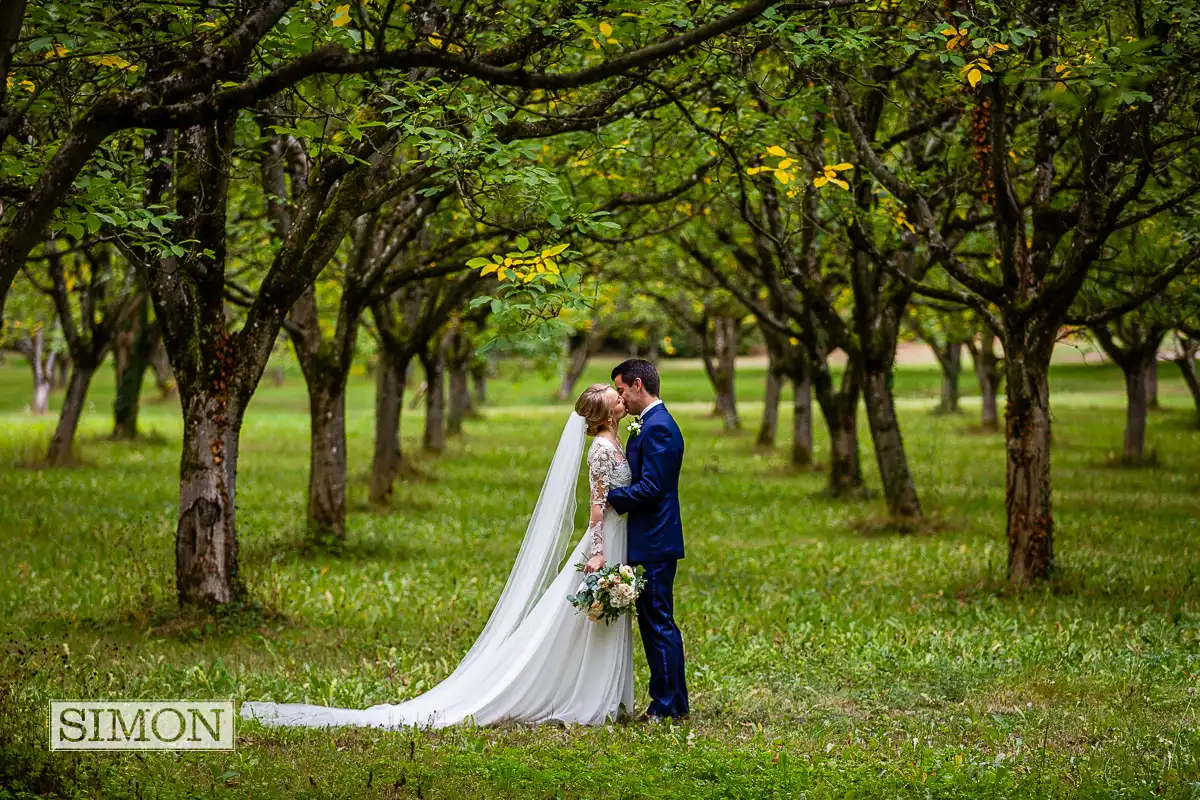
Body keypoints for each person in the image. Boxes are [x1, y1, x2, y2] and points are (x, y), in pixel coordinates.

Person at [241, 384, 635, 728]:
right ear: (603, 416)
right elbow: (596, 507)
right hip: (605, 541)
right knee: (578, 619)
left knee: (594, 619)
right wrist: (597, 554)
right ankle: (583, 691)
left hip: (621, 534)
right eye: (613, 400)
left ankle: (602, 688)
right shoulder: (600, 450)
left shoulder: (615, 440)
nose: (620, 400)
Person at [606, 358, 689, 721]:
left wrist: (609, 497)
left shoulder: (659, 428)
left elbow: (653, 488)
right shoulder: (650, 424)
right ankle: (674, 704)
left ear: (638, 384)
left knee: (657, 623)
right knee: (655, 620)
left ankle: (666, 707)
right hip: (650, 537)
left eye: (621, 389)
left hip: (656, 539)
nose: (620, 398)